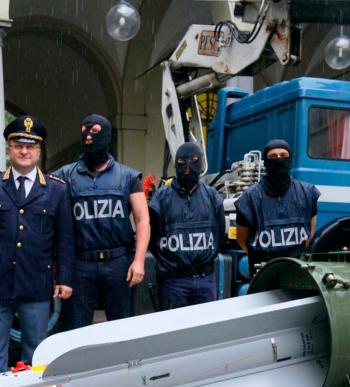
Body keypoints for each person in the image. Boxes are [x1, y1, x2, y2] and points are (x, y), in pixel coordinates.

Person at [0, 116, 74, 374]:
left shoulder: (57, 190)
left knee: (35, 349)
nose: (24, 151)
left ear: (39, 151)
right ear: (9, 149)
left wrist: (65, 278)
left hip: (36, 281)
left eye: (31, 146)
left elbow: (66, 239)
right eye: (18, 145)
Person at [53, 114, 149, 327]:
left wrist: (139, 260)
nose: (88, 136)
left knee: (121, 328)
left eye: (95, 131)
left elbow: (142, 220)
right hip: (80, 264)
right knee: (76, 330)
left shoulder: (128, 176)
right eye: (84, 131)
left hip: (118, 263)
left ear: (106, 135)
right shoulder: (64, 175)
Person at [149, 142, 225, 309]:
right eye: (183, 162)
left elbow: (220, 233)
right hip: (173, 282)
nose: (188, 166)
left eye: (194, 160)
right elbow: (151, 235)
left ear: (201, 163)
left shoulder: (212, 196)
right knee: (172, 332)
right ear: (176, 164)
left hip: (205, 279)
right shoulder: (161, 197)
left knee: (204, 332)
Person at [235, 139, 319, 266]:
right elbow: (242, 240)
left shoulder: (308, 193)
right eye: (273, 156)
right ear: (266, 162)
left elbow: (310, 234)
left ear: (290, 159)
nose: (279, 159)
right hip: (263, 274)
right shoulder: (249, 198)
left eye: (283, 155)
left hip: (297, 271)